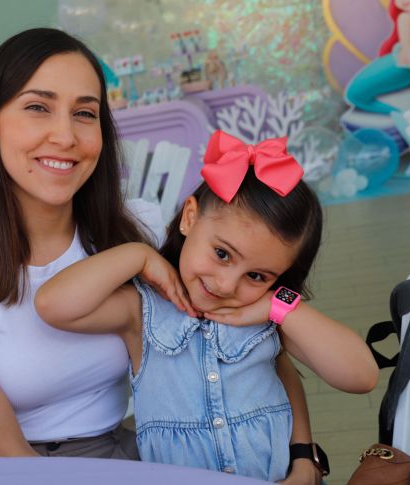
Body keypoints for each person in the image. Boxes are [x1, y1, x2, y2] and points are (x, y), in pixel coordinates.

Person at [0, 28, 321, 482]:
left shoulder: (137, 232)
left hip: (115, 454)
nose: (66, 136)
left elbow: (249, 352)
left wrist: (303, 454)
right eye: (38, 107)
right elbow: (12, 462)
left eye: (84, 113)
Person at [35, 130, 379, 481]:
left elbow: (362, 376)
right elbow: (52, 304)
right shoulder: (142, 310)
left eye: (257, 275)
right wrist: (137, 255)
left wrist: (282, 307)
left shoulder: (266, 313)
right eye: (222, 253)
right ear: (189, 218)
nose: (228, 284)